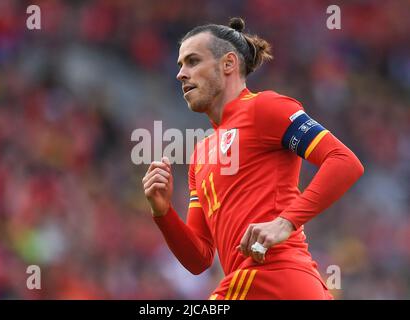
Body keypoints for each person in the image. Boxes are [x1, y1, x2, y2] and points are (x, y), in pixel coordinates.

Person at [142, 17, 364, 300]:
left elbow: (343, 160)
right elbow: (199, 259)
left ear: (228, 64)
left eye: (193, 61)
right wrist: (163, 213)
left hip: (274, 277)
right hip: (257, 285)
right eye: (180, 65)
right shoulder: (199, 155)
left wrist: (285, 222)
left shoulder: (265, 107)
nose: (181, 74)